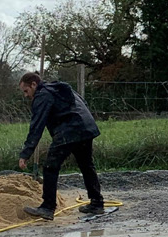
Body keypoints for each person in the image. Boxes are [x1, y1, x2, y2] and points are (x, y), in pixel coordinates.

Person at [16, 71, 105, 219]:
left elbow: (37, 125)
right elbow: (84, 103)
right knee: (87, 166)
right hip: (86, 127)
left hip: (69, 131)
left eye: (26, 91)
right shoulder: (59, 89)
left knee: (50, 167)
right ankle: (97, 203)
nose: (26, 95)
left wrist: (26, 153)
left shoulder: (43, 95)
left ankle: (47, 207)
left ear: (34, 84)